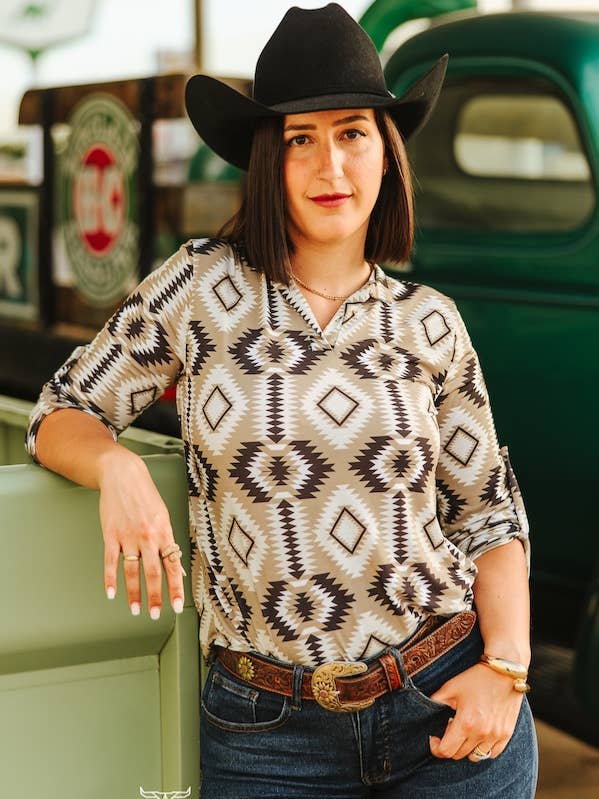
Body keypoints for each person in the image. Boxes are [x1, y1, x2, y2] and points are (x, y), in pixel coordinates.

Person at [26, 4, 538, 797]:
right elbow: (60, 410)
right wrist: (116, 468)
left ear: (386, 151)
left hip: (441, 703)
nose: (329, 166)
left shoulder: (429, 320)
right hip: (266, 731)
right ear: (269, 158)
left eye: (351, 134)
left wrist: (505, 668)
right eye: (301, 139)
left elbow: (489, 516)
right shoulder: (199, 287)